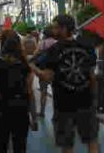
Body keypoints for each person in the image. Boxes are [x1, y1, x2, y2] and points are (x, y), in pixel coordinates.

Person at [31, 15, 99, 153]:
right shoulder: (86, 47)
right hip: (86, 102)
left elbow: (47, 76)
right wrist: (94, 99)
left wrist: (32, 66)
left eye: (56, 27)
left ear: (64, 28)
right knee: (92, 140)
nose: (53, 30)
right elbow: (92, 76)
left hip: (64, 105)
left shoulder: (54, 50)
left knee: (67, 145)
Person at [0, 31, 37, 153]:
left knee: (0, 146)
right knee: (20, 146)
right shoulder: (26, 66)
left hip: (2, 109)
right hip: (21, 110)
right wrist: (34, 117)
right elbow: (30, 92)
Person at [35, 27, 56, 117]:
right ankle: (56, 113)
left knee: (43, 92)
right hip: (54, 71)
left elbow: (36, 53)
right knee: (55, 93)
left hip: (43, 70)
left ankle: (42, 112)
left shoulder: (42, 43)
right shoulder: (56, 43)